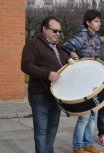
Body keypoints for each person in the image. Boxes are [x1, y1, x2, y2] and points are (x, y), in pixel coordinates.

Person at [21, 16, 69, 153]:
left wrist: (72, 60)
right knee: (41, 132)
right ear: (44, 29)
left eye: (60, 32)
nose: (57, 34)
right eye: (54, 31)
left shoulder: (59, 48)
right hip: (40, 95)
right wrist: (47, 74)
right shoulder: (33, 45)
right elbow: (26, 66)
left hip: (56, 95)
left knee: (52, 130)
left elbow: (64, 66)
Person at [62, 9, 102, 153]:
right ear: (88, 22)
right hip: (83, 81)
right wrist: (72, 54)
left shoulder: (97, 38)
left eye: (99, 21)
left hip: (94, 81)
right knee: (84, 117)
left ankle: (88, 143)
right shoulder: (82, 35)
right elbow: (66, 47)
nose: (99, 24)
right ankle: (77, 146)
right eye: (96, 21)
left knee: (93, 115)